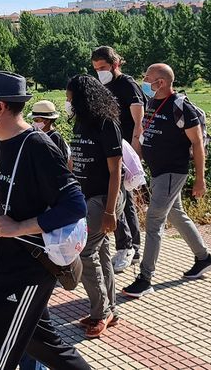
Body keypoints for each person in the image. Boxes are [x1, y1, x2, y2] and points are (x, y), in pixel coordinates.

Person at [0, 70, 91, 370]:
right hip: (4, 270)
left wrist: (20, 227)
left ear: (0, 106)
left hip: (27, 274)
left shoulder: (37, 146)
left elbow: (75, 205)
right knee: (44, 345)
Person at [122, 63, 211, 298]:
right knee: (176, 214)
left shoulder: (181, 107)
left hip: (173, 172)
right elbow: (147, 134)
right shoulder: (153, 103)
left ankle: (145, 278)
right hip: (157, 172)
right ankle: (204, 258)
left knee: (154, 222)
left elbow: (197, 144)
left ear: (161, 82)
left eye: (147, 78)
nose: (144, 82)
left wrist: (200, 180)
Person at [65, 75, 125, 338]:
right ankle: (109, 309)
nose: (68, 104)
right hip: (84, 198)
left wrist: (111, 211)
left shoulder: (106, 124)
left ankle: (101, 313)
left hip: (103, 199)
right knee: (100, 252)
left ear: (83, 98)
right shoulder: (81, 123)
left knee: (85, 252)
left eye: (70, 99)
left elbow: (116, 171)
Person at [91, 46, 144, 273]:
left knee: (119, 197)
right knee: (126, 199)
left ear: (115, 64)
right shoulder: (104, 85)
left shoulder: (127, 85)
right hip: (111, 148)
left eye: (103, 68)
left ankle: (127, 246)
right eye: (96, 69)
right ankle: (134, 247)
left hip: (124, 149)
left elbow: (138, 116)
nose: (99, 72)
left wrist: (135, 146)